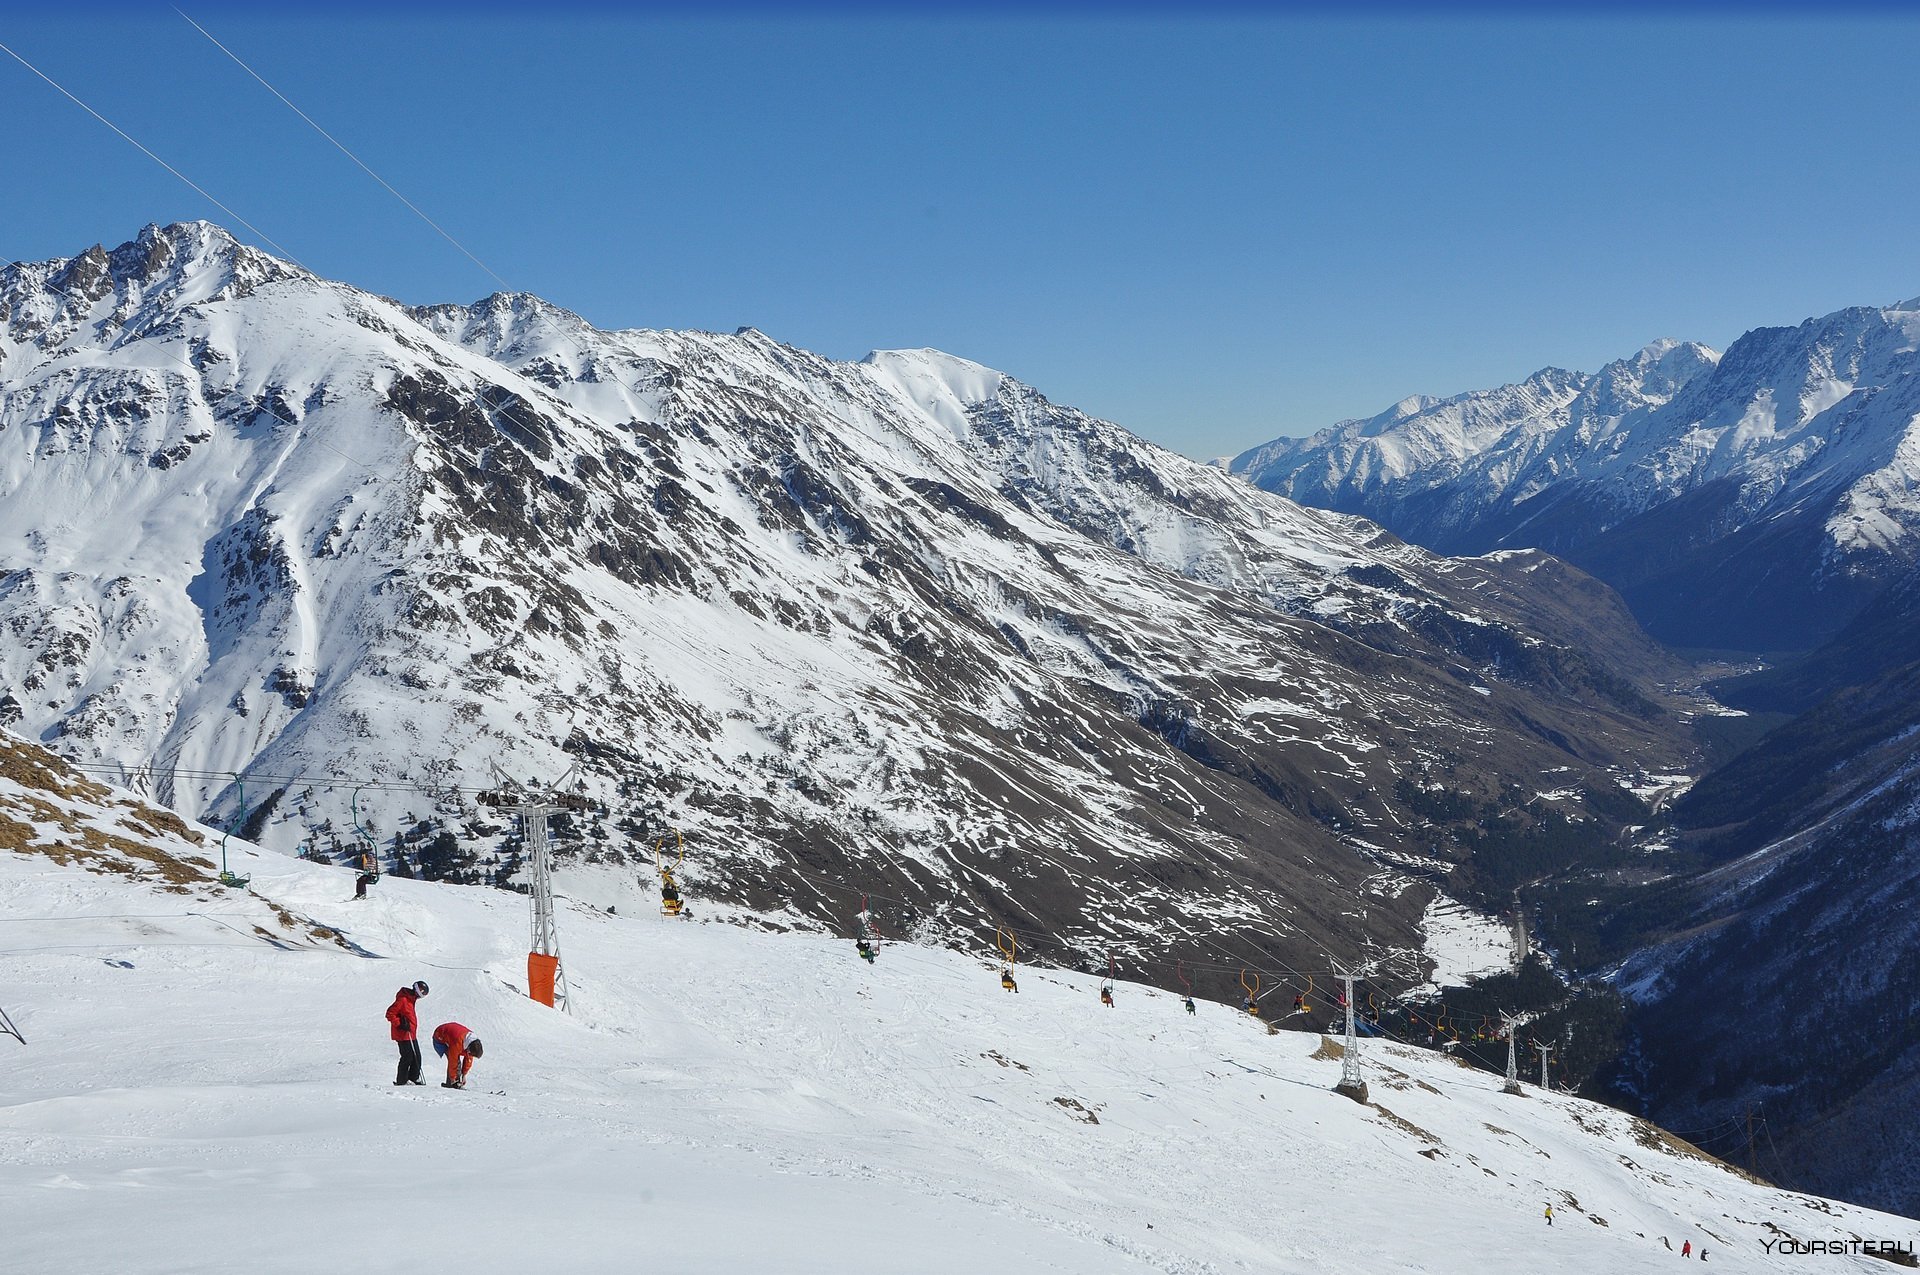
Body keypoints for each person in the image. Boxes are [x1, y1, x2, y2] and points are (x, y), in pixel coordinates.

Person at [385, 980, 428, 1085]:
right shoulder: (403, 999)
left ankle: (413, 1078)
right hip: (402, 1034)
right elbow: (389, 1013)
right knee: (407, 1057)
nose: (420, 996)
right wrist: (400, 1024)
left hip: (411, 1033)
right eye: (421, 993)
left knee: (417, 1056)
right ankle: (402, 1081)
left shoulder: (411, 999)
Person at [432, 1021, 484, 1088]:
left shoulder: (473, 1043)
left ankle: (455, 1082)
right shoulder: (458, 1042)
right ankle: (451, 1083)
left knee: (457, 1061)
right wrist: (453, 1078)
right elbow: (453, 1061)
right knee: (456, 1061)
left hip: (453, 1038)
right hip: (439, 1037)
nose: (470, 1055)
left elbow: (469, 1058)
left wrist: (464, 1075)